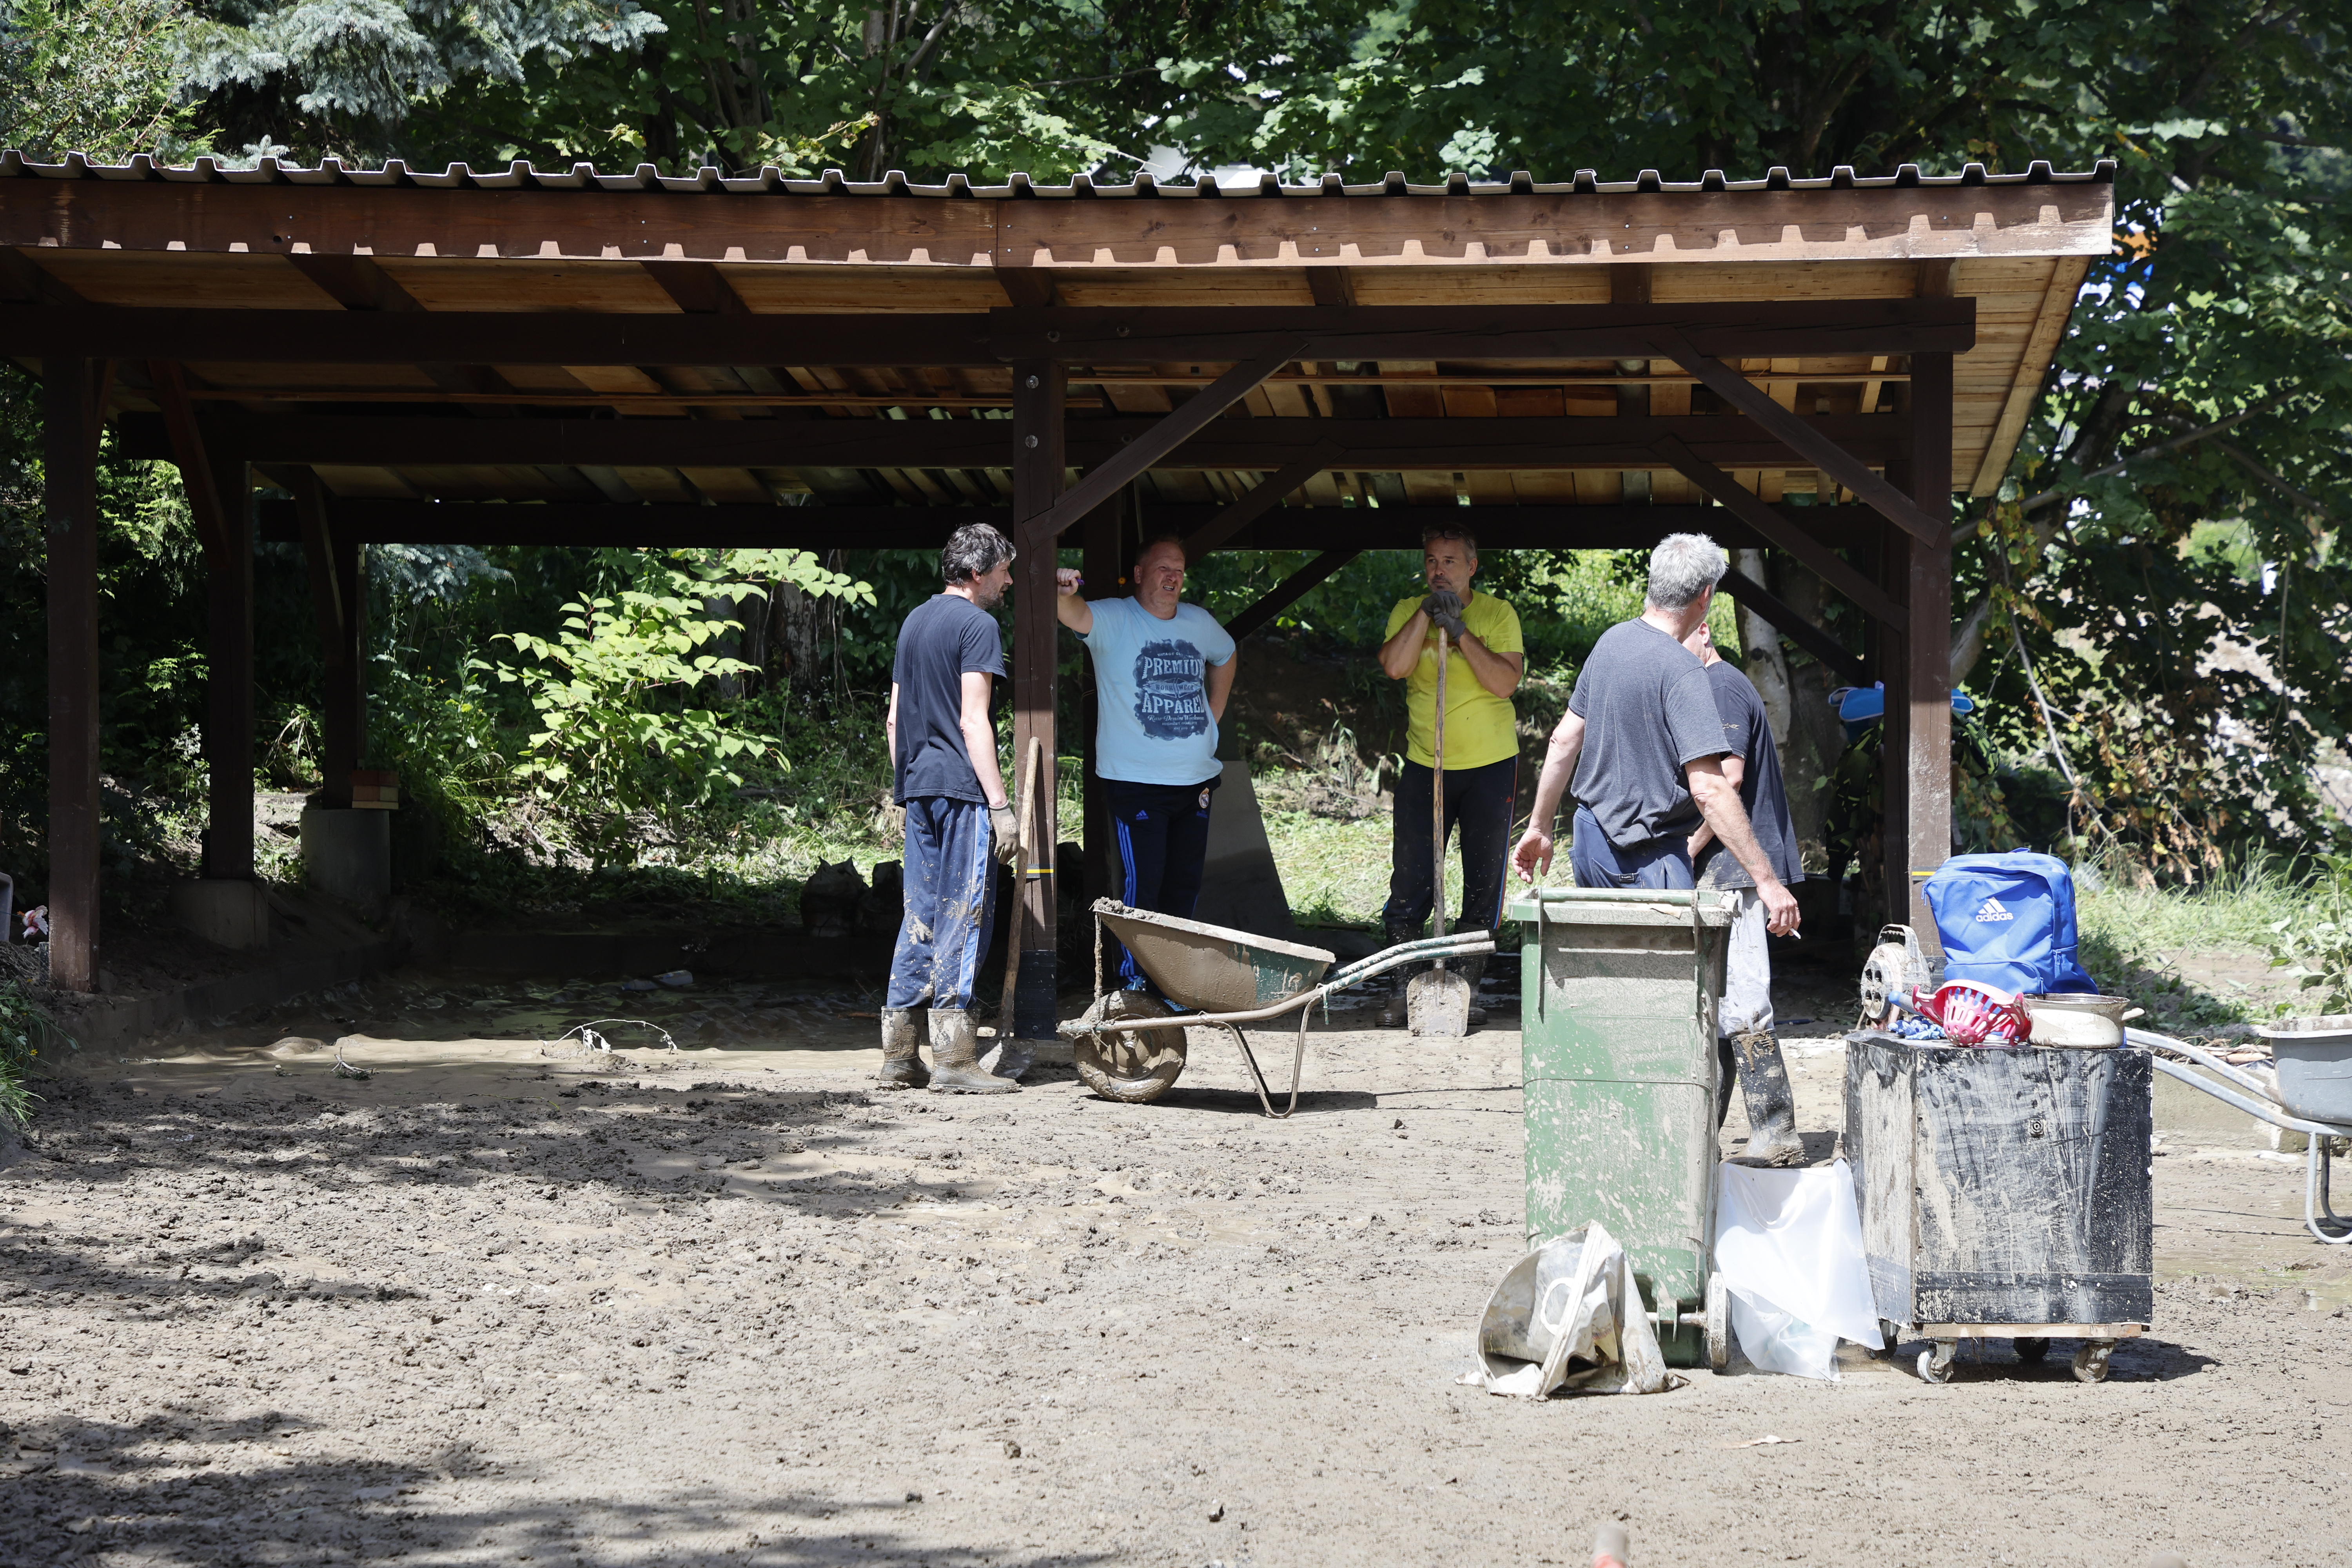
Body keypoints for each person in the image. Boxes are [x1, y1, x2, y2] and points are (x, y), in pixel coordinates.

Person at [1509, 534, 1803, 1157]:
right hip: (1652, 856)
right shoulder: (1681, 670)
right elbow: (1713, 790)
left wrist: (1539, 826)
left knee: (1609, 991)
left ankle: (1612, 1126)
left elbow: (1564, 743)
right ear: (1706, 597)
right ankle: (1667, 1143)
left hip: (1590, 840)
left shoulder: (1611, 644)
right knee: (1675, 1010)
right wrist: (1768, 880)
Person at [1056, 535, 1238, 991]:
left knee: (1184, 888)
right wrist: (1062, 589)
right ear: (1139, 574)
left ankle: (1173, 983)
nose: (1172, 577)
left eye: (1178, 569)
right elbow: (1072, 613)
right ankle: (1135, 986)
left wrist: (1213, 715)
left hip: (1195, 781)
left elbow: (1228, 653)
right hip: (1136, 784)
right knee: (1144, 889)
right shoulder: (1115, 618)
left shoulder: (1199, 622)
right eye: (1162, 568)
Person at [879, 523, 1022, 1095]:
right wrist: (1001, 805)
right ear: (977, 573)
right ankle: (956, 1060)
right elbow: (973, 720)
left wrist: (907, 784)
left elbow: (893, 719)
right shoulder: (977, 625)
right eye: (1005, 572)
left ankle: (898, 1057)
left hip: (918, 789)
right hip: (963, 790)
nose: (1009, 583)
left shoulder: (914, 621)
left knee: (921, 916)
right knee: (964, 915)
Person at [1373, 524, 1524, 1028]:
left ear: (1472, 566)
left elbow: (1505, 683)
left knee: (1483, 879)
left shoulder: (1498, 614)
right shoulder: (1406, 609)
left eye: (1451, 562)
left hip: (1490, 765)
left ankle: (1466, 986)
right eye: (1433, 561)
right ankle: (1403, 987)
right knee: (1412, 877)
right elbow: (1395, 667)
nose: (1440, 570)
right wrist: (1425, 614)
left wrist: (1461, 634)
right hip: (1426, 764)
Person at [1681, 619, 1806, 1165]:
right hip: (1730, 868)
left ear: (1704, 631)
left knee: (1746, 1004)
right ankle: (1707, 1131)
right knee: (1722, 1008)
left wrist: (1689, 846)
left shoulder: (1722, 686)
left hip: (1737, 869)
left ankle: (1776, 1130)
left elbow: (1727, 782)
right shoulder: (1708, 685)